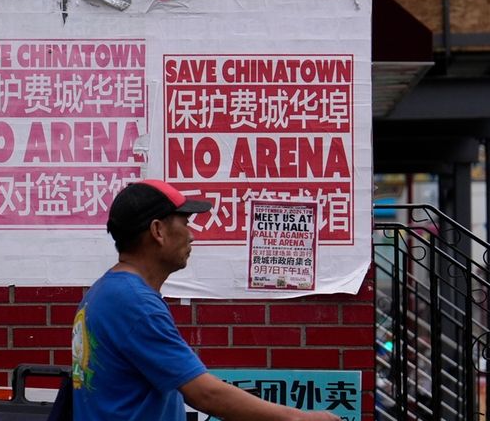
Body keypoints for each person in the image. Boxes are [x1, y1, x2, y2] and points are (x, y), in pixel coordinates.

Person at [71, 179, 340, 421]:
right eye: (185, 223)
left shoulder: (102, 293)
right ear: (158, 231)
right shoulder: (135, 304)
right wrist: (296, 418)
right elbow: (204, 393)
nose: (191, 234)